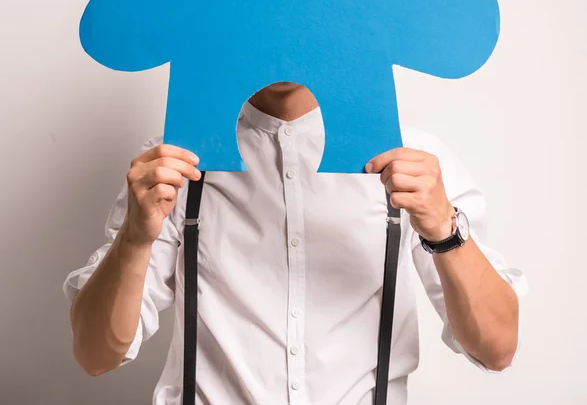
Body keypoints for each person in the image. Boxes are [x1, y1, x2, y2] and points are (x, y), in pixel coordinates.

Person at [63, 82, 527, 404]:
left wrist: (444, 229)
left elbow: (497, 348)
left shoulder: (413, 160)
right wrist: (135, 238)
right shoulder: (174, 165)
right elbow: (95, 354)